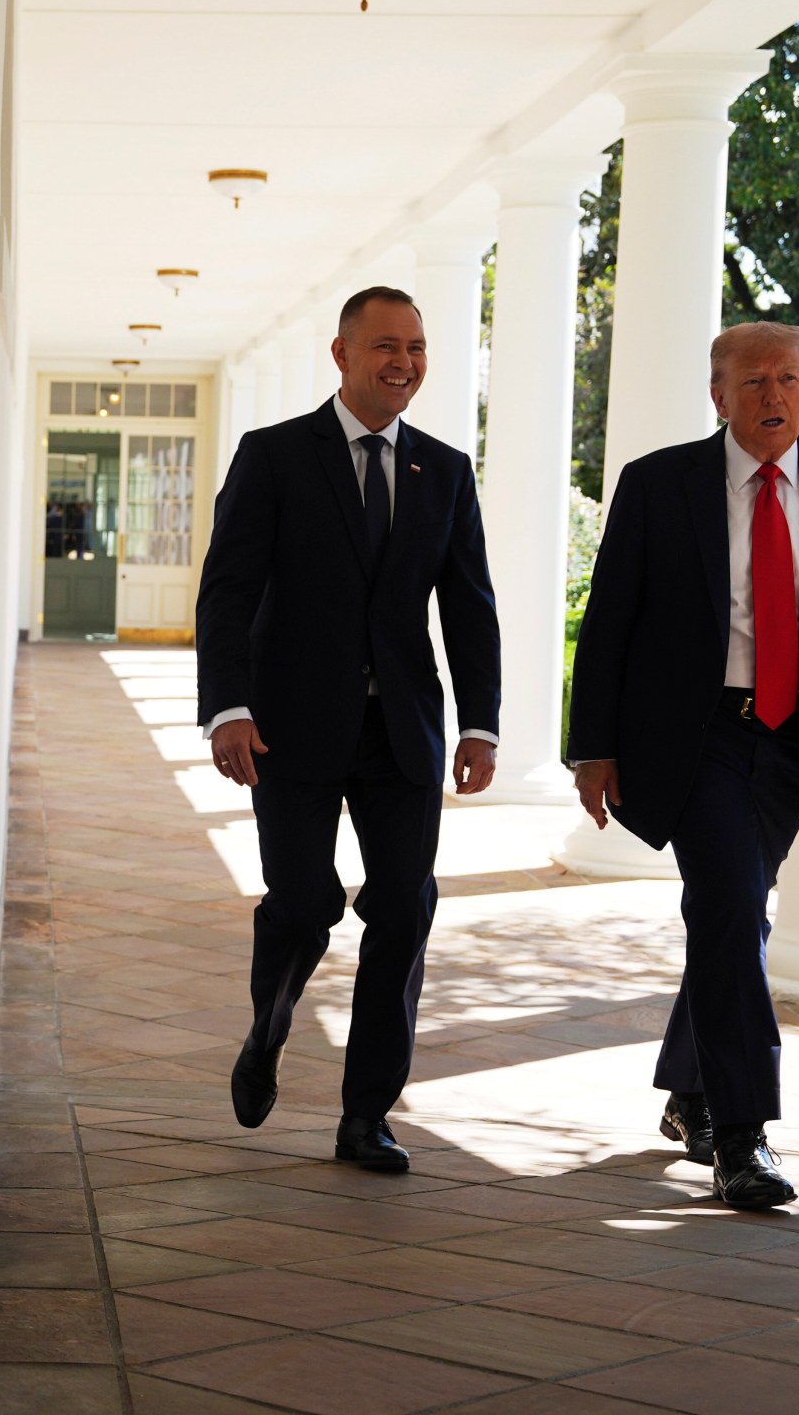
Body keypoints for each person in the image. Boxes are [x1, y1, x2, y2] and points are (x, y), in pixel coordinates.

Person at [567, 320, 799, 1209]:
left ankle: (690, 1088)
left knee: (735, 917)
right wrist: (594, 747)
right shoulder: (660, 485)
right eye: (754, 382)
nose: (773, 396)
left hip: (797, 744)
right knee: (732, 905)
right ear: (718, 396)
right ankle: (742, 1137)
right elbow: (610, 619)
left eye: (789, 378)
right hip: (697, 740)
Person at [195, 286, 503, 1174]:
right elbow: (229, 590)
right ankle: (268, 1028)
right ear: (341, 354)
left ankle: (365, 1114)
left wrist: (480, 724)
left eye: (416, 347)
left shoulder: (443, 471)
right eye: (384, 346)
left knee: (405, 906)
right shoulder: (276, 456)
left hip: (401, 730)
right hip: (288, 727)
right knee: (303, 903)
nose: (402, 362)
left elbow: (470, 606)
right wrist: (229, 706)